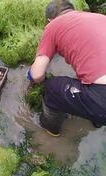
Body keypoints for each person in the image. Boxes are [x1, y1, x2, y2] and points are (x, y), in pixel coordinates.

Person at [27, 0, 106, 137]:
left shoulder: (53, 26)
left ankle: (50, 128)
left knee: (53, 88)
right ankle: (96, 120)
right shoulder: (99, 17)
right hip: (101, 91)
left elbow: (37, 74)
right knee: (88, 78)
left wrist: (33, 75)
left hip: (102, 98)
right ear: (73, 10)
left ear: (49, 20)